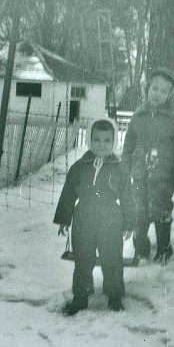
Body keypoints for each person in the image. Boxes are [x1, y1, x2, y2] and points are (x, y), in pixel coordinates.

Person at [54, 118, 135, 316]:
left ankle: (114, 296)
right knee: (83, 259)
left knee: (112, 259)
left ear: (114, 141)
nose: (101, 144)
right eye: (97, 139)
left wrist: (130, 222)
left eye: (107, 140)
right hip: (84, 219)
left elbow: (127, 197)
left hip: (111, 219)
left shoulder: (120, 168)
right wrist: (64, 219)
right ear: (90, 140)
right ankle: (81, 296)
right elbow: (68, 194)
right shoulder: (79, 167)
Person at [122, 68, 174, 264]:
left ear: (170, 94)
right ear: (147, 88)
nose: (157, 93)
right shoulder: (139, 116)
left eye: (163, 91)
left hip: (163, 175)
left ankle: (163, 249)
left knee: (160, 210)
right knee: (139, 211)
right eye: (154, 88)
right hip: (139, 173)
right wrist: (125, 166)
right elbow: (129, 144)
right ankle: (141, 250)